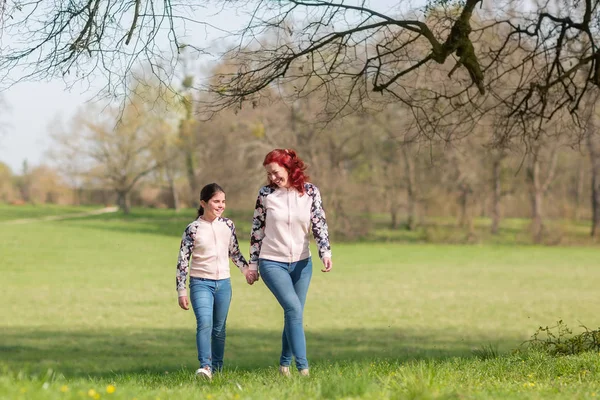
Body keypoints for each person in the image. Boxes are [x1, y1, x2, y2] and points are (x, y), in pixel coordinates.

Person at [249, 148, 332, 377]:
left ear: (288, 167)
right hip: (272, 262)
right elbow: (257, 230)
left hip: (302, 264)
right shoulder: (265, 194)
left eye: (276, 172)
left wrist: (325, 252)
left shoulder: (310, 192)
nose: (273, 178)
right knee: (294, 309)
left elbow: (319, 224)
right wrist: (253, 265)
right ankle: (304, 369)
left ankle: (284, 366)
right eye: (269, 175)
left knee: (293, 313)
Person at [176, 183, 256, 380]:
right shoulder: (193, 229)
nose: (221, 205)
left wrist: (246, 270)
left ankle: (217, 371)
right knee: (204, 323)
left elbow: (234, 251)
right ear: (203, 203)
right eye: (216, 201)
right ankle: (206, 367)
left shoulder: (228, 225)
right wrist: (181, 290)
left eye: (223, 202)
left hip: (223, 284)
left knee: (219, 329)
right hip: (200, 283)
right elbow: (183, 260)